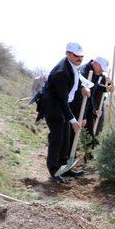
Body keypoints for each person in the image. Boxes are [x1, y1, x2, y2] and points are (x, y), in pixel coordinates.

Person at [36, 42, 90, 183]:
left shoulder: (73, 65)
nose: (80, 58)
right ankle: (54, 171)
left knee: (66, 139)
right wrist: (73, 121)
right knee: (57, 138)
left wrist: (83, 86)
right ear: (68, 54)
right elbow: (62, 100)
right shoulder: (62, 72)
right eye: (76, 55)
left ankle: (65, 168)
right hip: (53, 107)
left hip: (63, 106)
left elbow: (76, 79)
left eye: (81, 56)